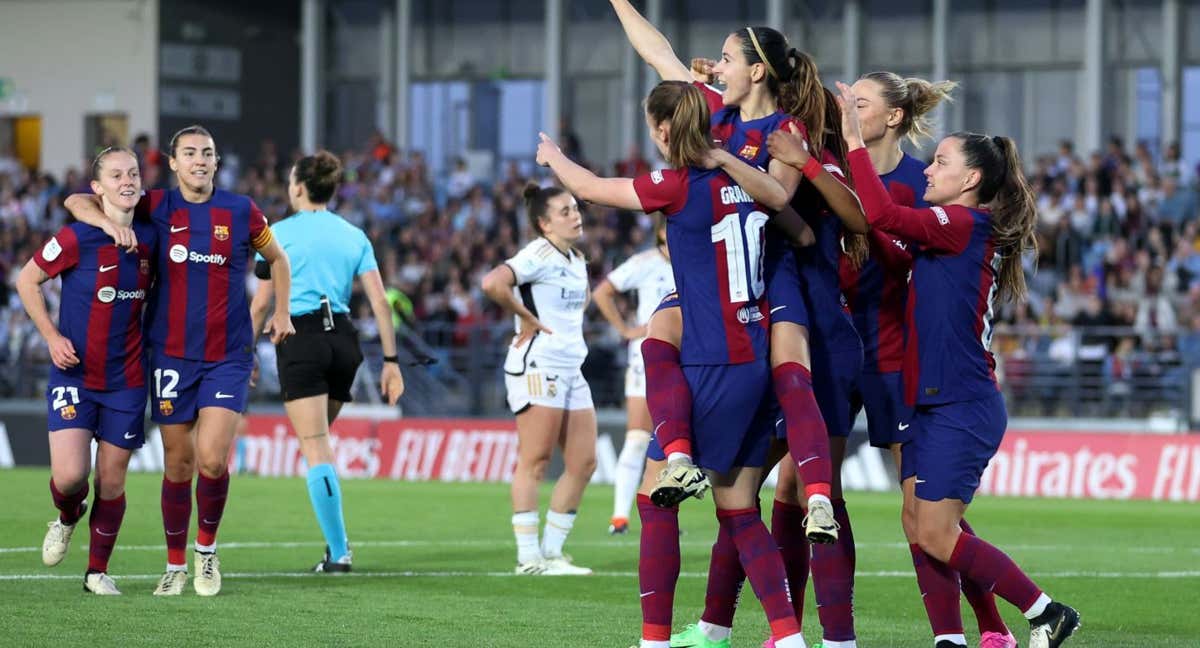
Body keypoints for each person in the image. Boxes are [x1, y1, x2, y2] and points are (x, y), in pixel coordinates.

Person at [538, 79, 808, 648]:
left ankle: (654, 641)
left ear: (663, 129)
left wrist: (551, 155)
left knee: (651, 498)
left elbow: (587, 186)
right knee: (738, 508)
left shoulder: (677, 186)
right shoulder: (749, 179)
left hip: (713, 360)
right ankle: (788, 637)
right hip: (757, 354)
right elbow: (791, 214)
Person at [836, 81, 1080, 648]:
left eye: (940, 163)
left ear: (970, 180)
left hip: (962, 404)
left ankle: (1045, 611)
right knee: (920, 527)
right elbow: (880, 232)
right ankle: (951, 638)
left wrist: (850, 137)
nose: (927, 171)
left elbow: (879, 211)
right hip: (932, 400)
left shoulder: (964, 226)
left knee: (939, 534)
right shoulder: (943, 238)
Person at [65, 125, 295, 596]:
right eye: (189, 153)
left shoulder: (240, 210)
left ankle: (205, 553)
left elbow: (278, 258)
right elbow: (77, 202)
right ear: (172, 163)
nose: (199, 160)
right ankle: (173, 565)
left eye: (206, 153)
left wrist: (282, 311)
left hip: (228, 356)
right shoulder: (156, 206)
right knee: (178, 464)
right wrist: (108, 225)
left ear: (215, 161)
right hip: (169, 355)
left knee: (212, 459)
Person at [249, 150, 404, 572]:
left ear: (297, 187)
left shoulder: (275, 233)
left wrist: (245, 355)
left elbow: (261, 305)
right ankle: (334, 545)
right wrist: (391, 361)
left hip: (301, 337)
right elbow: (379, 302)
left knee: (316, 447)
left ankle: (339, 553)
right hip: (345, 342)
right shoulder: (354, 235)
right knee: (320, 443)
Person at [17, 148, 156, 595]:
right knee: (71, 477)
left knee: (111, 481)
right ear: (97, 188)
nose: (127, 181)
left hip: (128, 380)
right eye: (116, 175)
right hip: (75, 375)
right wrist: (52, 337)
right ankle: (65, 515)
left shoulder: (152, 235)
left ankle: (97, 572)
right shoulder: (76, 237)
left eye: (133, 173)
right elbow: (26, 280)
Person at [480, 183, 596, 576]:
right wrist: (525, 316)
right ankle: (529, 558)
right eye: (564, 211)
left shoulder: (578, 258)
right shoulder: (537, 254)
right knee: (536, 460)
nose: (575, 215)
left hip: (571, 365)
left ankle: (551, 552)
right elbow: (492, 283)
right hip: (538, 365)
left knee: (584, 462)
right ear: (544, 223)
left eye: (575, 208)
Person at [591, 217, 674, 535]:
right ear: (662, 231)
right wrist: (625, 330)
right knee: (638, 437)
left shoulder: (697, 258)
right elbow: (602, 292)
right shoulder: (644, 262)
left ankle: (664, 512)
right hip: (646, 357)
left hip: (687, 355)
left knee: (673, 438)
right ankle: (620, 516)